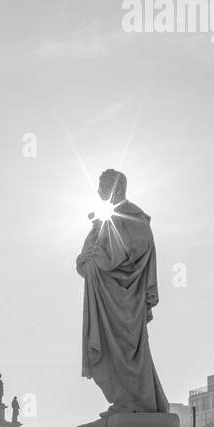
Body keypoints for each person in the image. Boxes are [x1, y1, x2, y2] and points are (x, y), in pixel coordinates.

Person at [76, 169, 168, 413]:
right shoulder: (102, 222)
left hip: (126, 296)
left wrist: (105, 257)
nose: (98, 192)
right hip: (105, 298)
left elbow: (140, 248)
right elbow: (83, 260)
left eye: (102, 186)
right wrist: (92, 253)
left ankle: (137, 402)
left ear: (115, 187)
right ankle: (123, 400)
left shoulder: (132, 216)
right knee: (108, 349)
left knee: (128, 349)